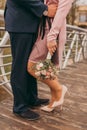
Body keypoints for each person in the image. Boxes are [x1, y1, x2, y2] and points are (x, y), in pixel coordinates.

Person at [4, 0, 58, 120]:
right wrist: (44, 9)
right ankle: (20, 106)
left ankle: (31, 98)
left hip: (32, 24)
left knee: (30, 63)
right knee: (20, 66)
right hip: (21, 24)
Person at [27, 0, 73, 112]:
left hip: (51, 31)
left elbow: (62, 12)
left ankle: (59, 89)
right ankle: (55, 101)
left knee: (31, 66)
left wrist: (52, 37)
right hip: (43, 28)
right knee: (50, 68)